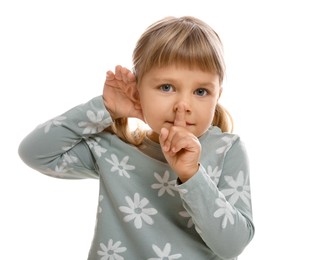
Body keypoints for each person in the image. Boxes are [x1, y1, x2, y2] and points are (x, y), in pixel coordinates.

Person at [18, 16, 254, 260]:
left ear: (218, 96)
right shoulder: (114, 149)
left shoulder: (227, 150)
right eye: (166, 87)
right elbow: (35, 152)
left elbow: (232, 246)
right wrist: (105, 108)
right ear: (137, 88)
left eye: (201, 91)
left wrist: (192, 175)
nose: (183, 105)